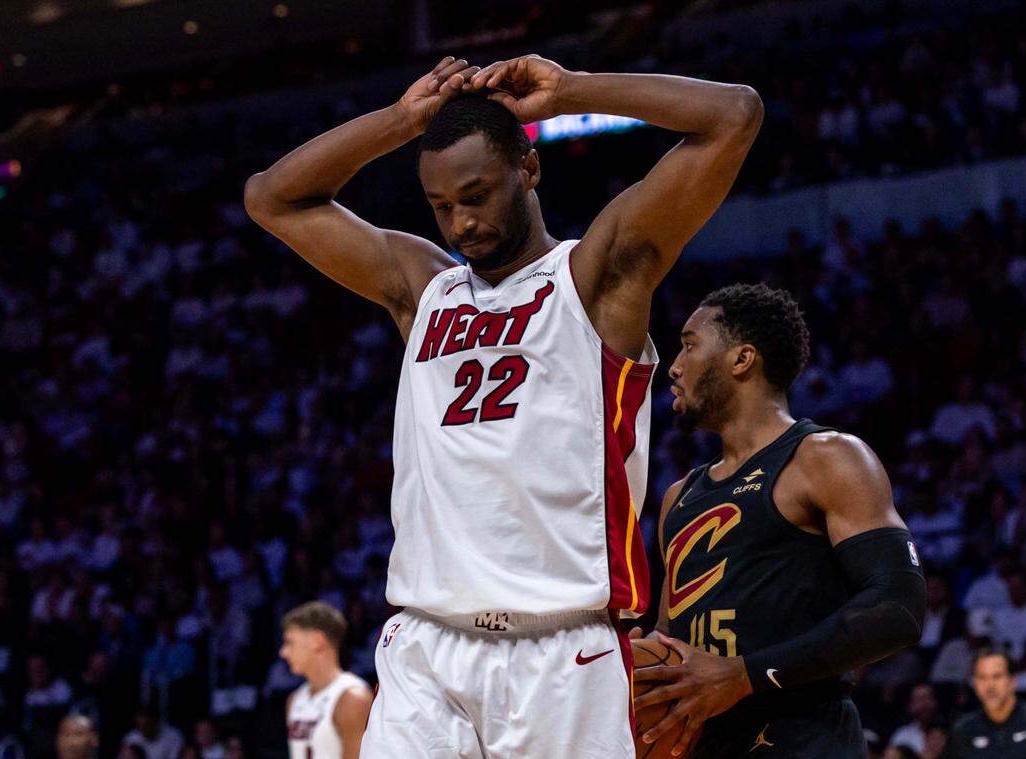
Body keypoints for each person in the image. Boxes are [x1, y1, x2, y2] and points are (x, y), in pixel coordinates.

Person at [245, 52, 762, 758]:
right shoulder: (422, 287)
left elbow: (734, 114)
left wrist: (571, 92)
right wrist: (400, 121)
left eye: (476, 195)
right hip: (426, 642)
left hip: (562, 648)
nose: (461, 223)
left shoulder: (593, 279)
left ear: (529, 168)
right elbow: (271, 197)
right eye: (441, 207)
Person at [634, 284, 926, 757]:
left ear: (742, 359)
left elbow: (900, 606)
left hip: (803, 738)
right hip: (703, 744)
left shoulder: (826, 457)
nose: (674, 365)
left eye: (689, 344)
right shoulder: (677, 496)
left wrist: (745, 675)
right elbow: (673, 637)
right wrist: (638, 664)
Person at [280, 602, 372, 759]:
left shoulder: (353, 698)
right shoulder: (294, 700)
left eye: (290, 642)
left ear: (317, 641)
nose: (283, 652)